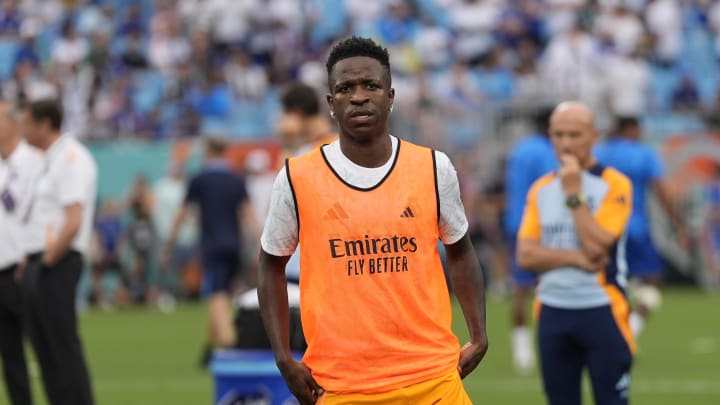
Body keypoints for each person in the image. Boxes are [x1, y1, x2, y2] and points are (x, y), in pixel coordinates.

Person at [258, 36, 488, 405]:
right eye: (346, 88)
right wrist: (284, 358)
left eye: (371, 85)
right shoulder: (297, 176)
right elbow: (270, 265)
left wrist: (479, 334)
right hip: (340, 386)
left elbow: (460, 250)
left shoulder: (432, 167)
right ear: (331, 103)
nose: (359, 96)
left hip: (432, 381)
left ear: (391, 96)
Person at [517, 101, 634, 405]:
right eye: (558, 135)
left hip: (603, 308)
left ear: (594, 136)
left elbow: (598, 247)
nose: (565, 143)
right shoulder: (540, 189)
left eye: (574, 134)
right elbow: (526, 256)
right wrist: (575, 259)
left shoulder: (614, 184)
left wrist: (573, 195)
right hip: (552, 310)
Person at [20, 98, 97, 405]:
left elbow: (73, 218)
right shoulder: (48, 159)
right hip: (43, 259)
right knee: (45, 348)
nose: (22, 128)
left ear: (44, 124)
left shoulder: (70, 156)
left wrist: (48, 260)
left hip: (57, 260)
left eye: (27, 121)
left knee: (62, 346)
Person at [163, 136, 260, 365]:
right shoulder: (236, 180)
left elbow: (183, 213)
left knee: (217, 294)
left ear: (208, 151)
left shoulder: (200, 180)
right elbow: (247, 215)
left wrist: (169, 243)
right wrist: (261, 243)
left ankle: (230, 345)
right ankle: (208, 348)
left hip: (212, 244)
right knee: (222, 291)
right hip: (234, 244)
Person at [595, 116, 690, 339]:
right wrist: (679, 224)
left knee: (609, 283)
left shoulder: (600, 153)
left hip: (601, 229)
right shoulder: (643, 154)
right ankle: (631, 329)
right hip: (634, 227)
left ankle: (610, 331)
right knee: (653, 279)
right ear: (632, 130)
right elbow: (661, 191)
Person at [503, 107, 558, 374]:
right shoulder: (547, 151)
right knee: (551, 286)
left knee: (520, 287)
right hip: (539, 225)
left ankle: (522, 351)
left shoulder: (519, 149)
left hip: (515, 222)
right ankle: (553, 345)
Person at [0, 96, 41, 405]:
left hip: (26, 266)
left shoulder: (35, 162)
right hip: (0, 268)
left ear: (14, 122)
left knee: (46, 346)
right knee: (9, 353)